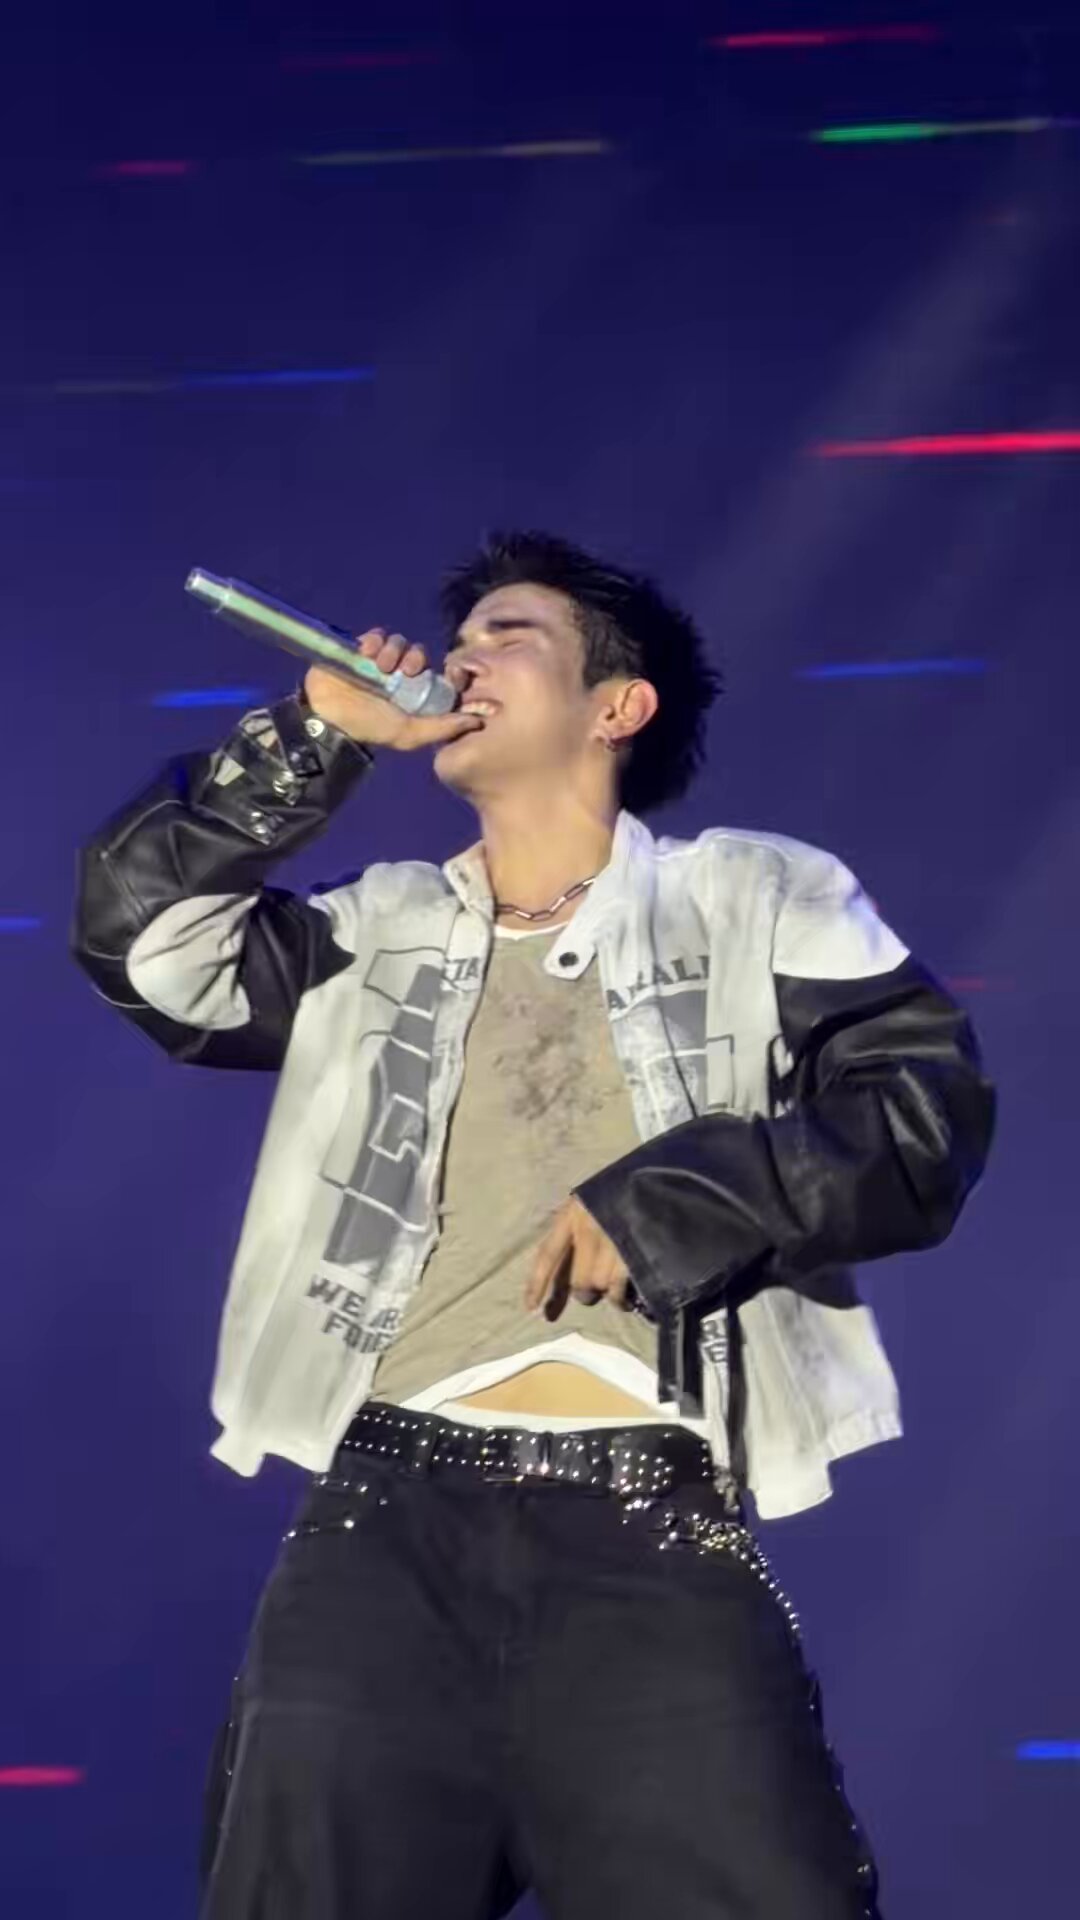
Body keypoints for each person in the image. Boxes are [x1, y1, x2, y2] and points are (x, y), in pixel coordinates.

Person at [73, 530, 994, 1920]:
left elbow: (923, 1116)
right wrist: (317, 734)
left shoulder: (755, 894)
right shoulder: (371, 932)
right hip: (380, 1527)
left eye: (510, 636)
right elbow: (140, 942)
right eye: (459, 641)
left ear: (617, 705)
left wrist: (684, 1195)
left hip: (651, 1532)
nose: (462, 660)